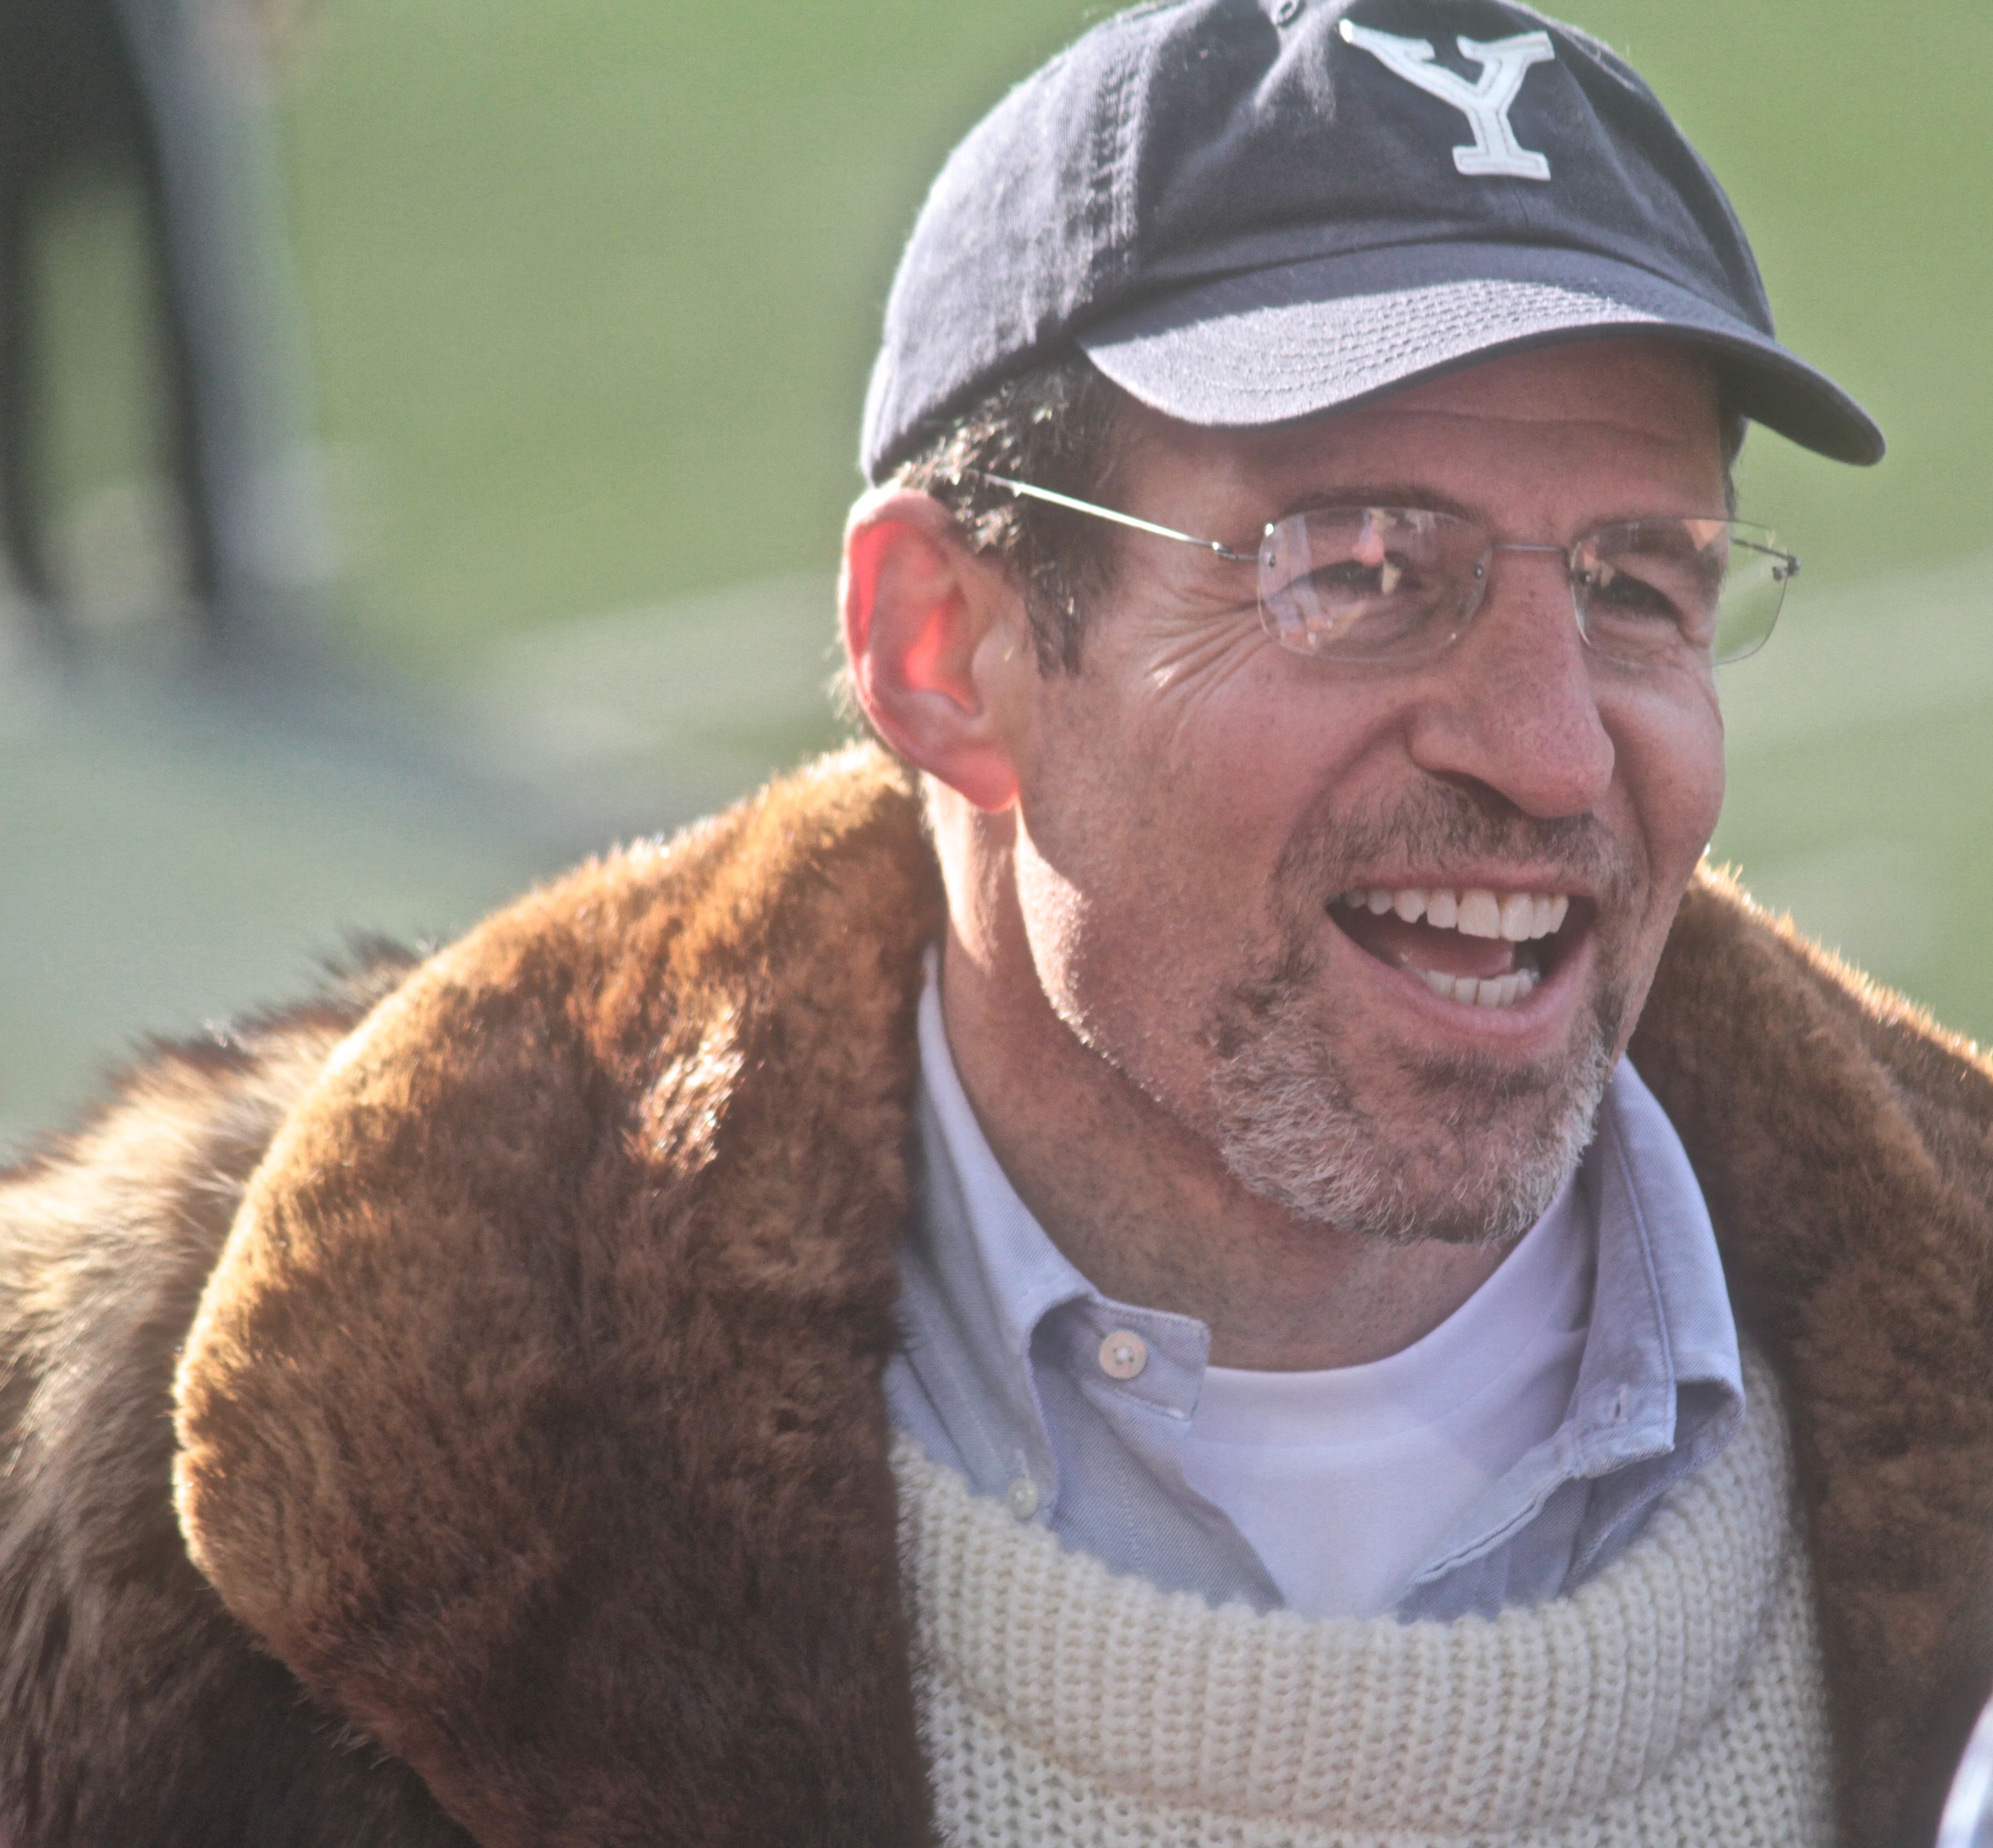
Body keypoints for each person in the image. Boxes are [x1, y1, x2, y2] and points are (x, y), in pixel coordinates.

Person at [3, 2, 1989, 1844]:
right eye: (1365, 567)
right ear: (938, 649)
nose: (1555, 755)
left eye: (1641, 583)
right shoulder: (217, 1516)